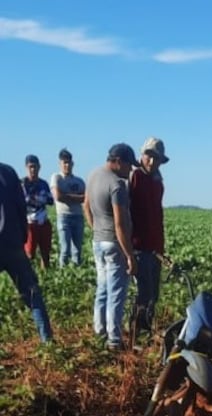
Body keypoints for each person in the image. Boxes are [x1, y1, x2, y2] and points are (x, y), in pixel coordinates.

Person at [83, 143, 138, 350]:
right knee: (116, 293)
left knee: (102, 289)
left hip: (98, 241)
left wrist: (96, 228)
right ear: (118, 161)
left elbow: (86, 205)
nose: (130, 170)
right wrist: (130, 255)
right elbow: (120, 224)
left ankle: (100, 331)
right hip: (114, 245)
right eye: (128, 165)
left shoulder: (93, 174)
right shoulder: (117, 185)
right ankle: (114, 340)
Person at [0, 162, 54, 343]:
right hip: (13, 243)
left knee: (32, 292)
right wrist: (21, 237)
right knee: (32, 293)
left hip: (11, 242)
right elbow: (21, 206)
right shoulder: (8, 171)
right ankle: (48, 341)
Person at [129, 137, 169, 334]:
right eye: (149, 156)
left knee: (154, 294)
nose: (152, 162)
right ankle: (138, 333)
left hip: (154, 248)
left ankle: (146, 330)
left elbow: (158, 216)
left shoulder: (157, 182)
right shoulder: (134, 177)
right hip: (138, 246)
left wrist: (161, 249)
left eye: (156, 158)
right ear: (142, 155)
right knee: (144, 293)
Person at [50, 148, 86, 267]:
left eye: (68, 162)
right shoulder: (57, 178)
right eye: (64, 162)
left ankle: (76, 274)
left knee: (77, 250)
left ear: (72, 163)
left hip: (78, 216)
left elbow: (85, 198)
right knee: (65, 250)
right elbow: (58, 196)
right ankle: (62, 273)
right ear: (60, 164)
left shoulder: (79, 181)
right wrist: (77, 197)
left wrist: (67, 196)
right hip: (64, 216)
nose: (67, 165)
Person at [21, 154, 54, 270]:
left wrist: (36, 199)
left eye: (35, 166)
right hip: (30, 223)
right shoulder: (23, 184)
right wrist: (39, 199)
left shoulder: (43, 184)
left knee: (45, 253)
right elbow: (22, 202)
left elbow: (50, 200)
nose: (33, 169)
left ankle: (45, 276)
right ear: (26, 167)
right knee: (29, 254)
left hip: (43, 222)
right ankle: (29, 277)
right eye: (30, 167)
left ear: (39, 167)